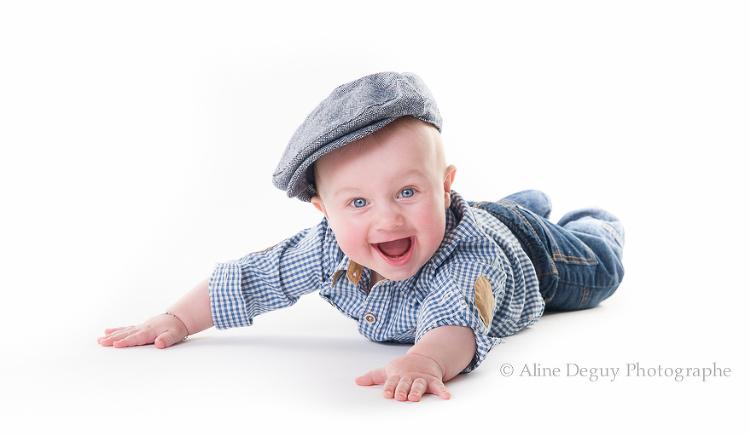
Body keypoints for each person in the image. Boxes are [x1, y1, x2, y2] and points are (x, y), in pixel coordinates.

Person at [97, 72, 625, 402]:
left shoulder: (466, 260)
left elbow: (456, 324)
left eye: (408, 192)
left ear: (444, 188)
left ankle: (582, 223)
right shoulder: (328, 245)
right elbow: (253, 277)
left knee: (599, 270)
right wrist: (177, 319)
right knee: (501, 210)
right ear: (324, 210)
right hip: (473, 215)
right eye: (357, 203)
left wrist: (425, 361)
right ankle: (519, 203)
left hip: (534, 259)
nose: (387, 220)